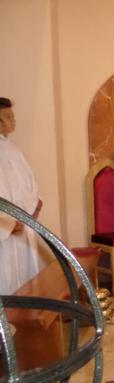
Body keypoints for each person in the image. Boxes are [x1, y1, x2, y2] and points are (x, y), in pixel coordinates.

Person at [0, 97, 43, 295]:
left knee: (25, 279)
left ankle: (27, 312)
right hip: (6, 229)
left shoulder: (12, 148)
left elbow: (28, 183)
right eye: (8, 116)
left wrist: (28, 212)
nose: (13, 120)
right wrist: (9, 222)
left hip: (22, 222)